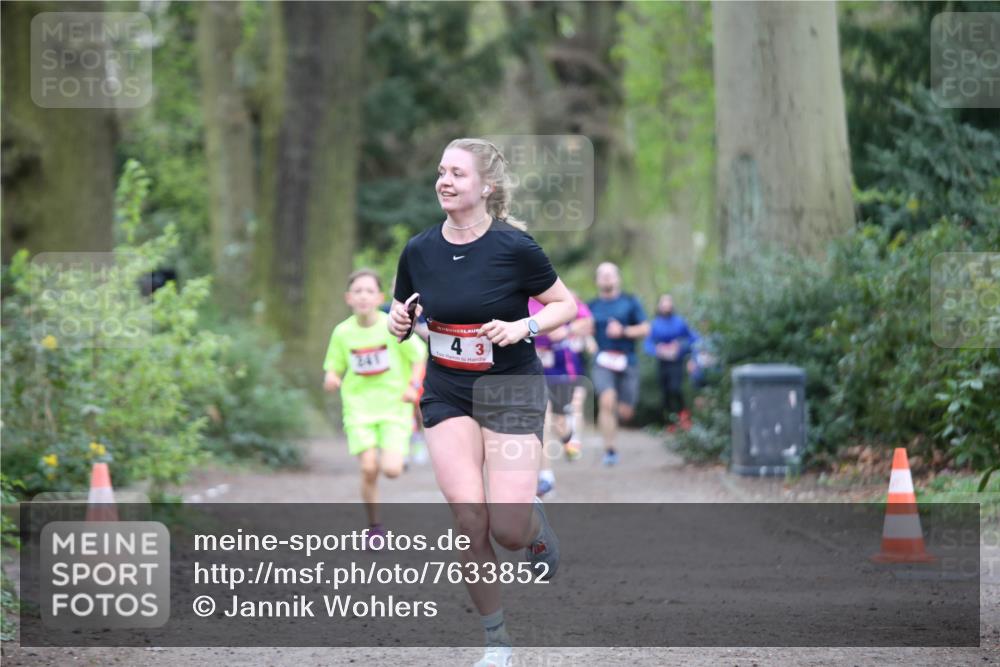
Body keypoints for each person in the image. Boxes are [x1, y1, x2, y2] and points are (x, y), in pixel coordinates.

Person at [387, 138, 577, 667]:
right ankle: (496, 642)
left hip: (509, 386)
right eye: (441, 173)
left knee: (507, 530)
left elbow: (567, 304)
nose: (444, 182)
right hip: (447, 389)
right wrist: (397, 321)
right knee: (469, 518)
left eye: (457, 174)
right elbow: (401, 311)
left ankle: (533, 525)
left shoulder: (514, 248)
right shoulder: (419, 250)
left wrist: (524, 325)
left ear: (486, 186)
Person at [323, 269, 427, 544]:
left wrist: (413, 386)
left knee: (391, 470)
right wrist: (332, 378)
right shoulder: (342, 332)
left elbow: (419, 357)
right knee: (369, 468)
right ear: (348, 298)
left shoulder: (391, 326)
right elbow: (334, 367)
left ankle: (406, 443)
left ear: (380, 297)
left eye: (369, 291)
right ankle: (374, 527)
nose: (363, 296)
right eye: (357, 291)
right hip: (358, 409)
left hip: (394, 407)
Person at [529, 293, 593, 497]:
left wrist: (565, 329)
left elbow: (586, 321)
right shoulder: (516, 294)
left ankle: (568, 437)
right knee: (541, 418)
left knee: (558, 420)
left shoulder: (553, 291)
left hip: (559, 366)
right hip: (531, 364)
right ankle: (546, 476)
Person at [587, 262, 650, 466]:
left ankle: (619, 419)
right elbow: (584, 330)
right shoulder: (592, 306)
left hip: (627, 362)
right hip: (603, 361)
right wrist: (589, 342)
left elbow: (645, 329)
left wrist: (623, 331)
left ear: (618, 278)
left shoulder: (630, 302)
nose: (606, 278)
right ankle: (610, 449)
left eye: (610, 274)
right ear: (597, 280)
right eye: (602, 275)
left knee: (625, 411)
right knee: (606, 400)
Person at [645, 293, 699, 432]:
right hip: (663, 363)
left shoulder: (680, 322)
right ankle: (670, 423)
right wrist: (658, 350)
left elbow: (694, 339)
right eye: (663, 302)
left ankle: (684, 418)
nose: (666, 305)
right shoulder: (655, 323)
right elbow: (648, 344)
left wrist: (680, 347)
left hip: (677, 362)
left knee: (676, 389)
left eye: (668, 302)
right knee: (666, 392)